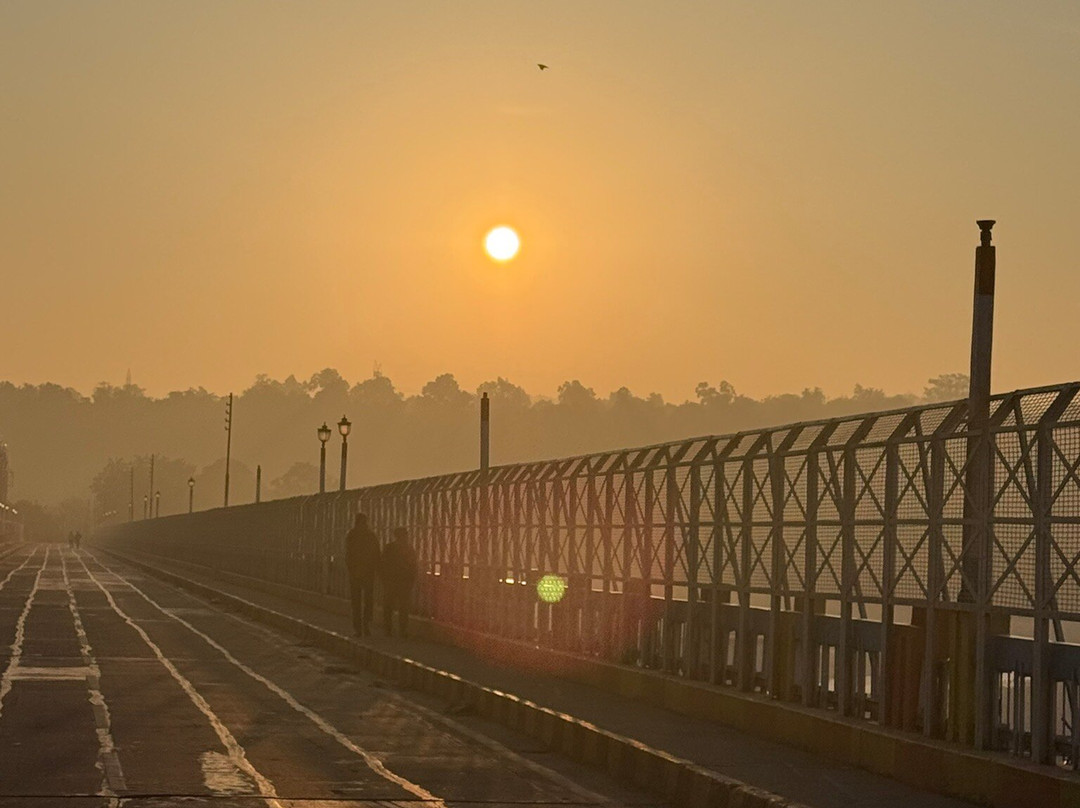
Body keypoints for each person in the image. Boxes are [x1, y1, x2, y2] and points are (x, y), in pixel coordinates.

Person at [344, 513, 381, 637]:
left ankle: (358, 628)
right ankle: (365, 625)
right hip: (368, 574)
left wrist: (351, 569)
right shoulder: (371, 536)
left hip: (355, 574)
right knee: (368, 601)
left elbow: (348, 554)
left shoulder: (351, 535)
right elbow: (377, 555)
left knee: (356, 602)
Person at [381, 527, 418, 637]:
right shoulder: (409, 549)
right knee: (403, 607)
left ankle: (388, 629)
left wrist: (384, 579)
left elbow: (383, 564)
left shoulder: (389, 548)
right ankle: (402, 630)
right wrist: (411, 580)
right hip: (404, 582)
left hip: (391, 581)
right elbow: (413, 566)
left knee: (388, 606)